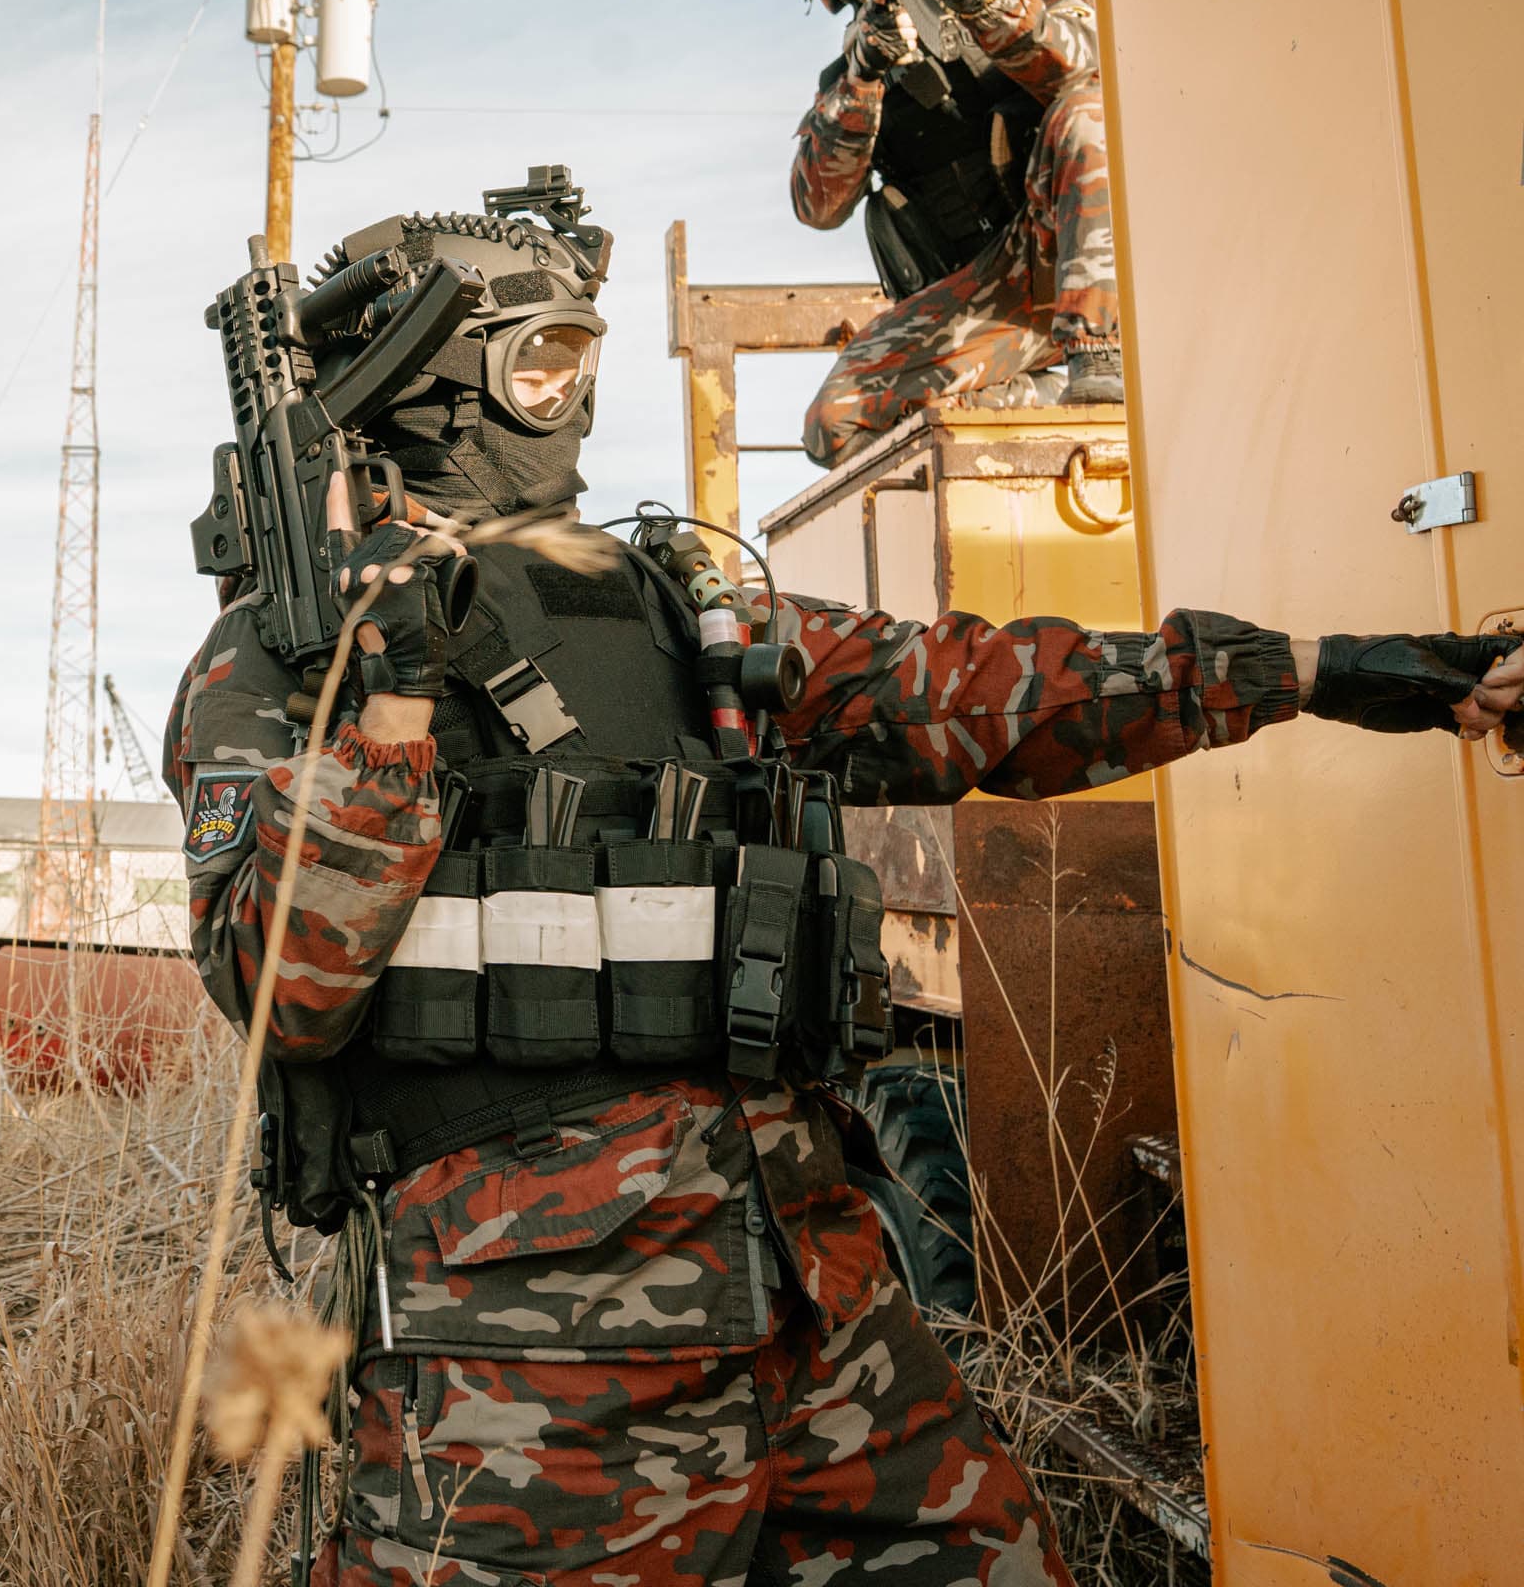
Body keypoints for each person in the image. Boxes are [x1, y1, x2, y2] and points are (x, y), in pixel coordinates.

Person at [163, 206, 1521, 1586]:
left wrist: (1349, 672)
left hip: (813, 1290)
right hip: (530, 1358)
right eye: (540, 360)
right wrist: (389, 709)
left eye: (583, 354)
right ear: (437, 383)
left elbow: (988, 691)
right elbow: (284, 984)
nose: (572, 396)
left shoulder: (671, 605)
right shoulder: (288, 655)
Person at [790, 0, 1123, 468]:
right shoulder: (851, 82)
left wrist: (983, 3)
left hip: (1078, 256)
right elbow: (817, 206)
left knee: (1087, 114)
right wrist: (864, 76)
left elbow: (1093, 65)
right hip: (993, 294)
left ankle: (1100, 353)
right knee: (834, 421)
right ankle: (1041, 397)